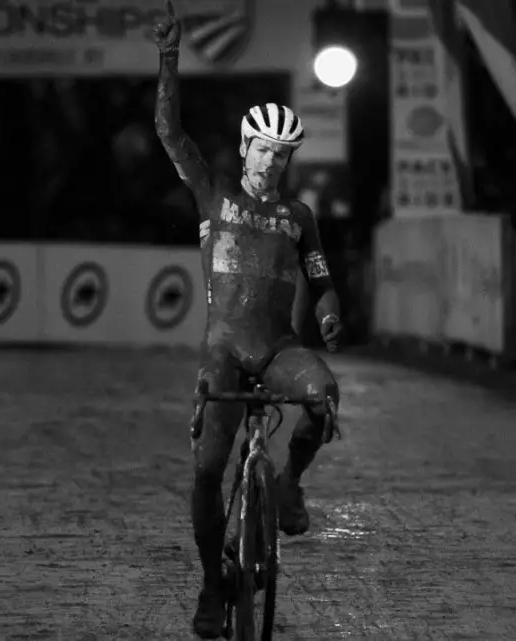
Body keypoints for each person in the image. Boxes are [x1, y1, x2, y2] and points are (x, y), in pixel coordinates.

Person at [152, 3, 344, 637]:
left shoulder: (299, 216)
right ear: (244, 146)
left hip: (278, 349)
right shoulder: (215, 194)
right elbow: (170, 134)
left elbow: (320, 282)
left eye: (282, 156)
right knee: (208, 471)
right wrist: (170, 58)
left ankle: (287, 484)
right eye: (263, 150)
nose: (270, 163)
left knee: (322, 395)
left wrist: (332, 311)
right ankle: (213, 584)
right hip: (224, 354)